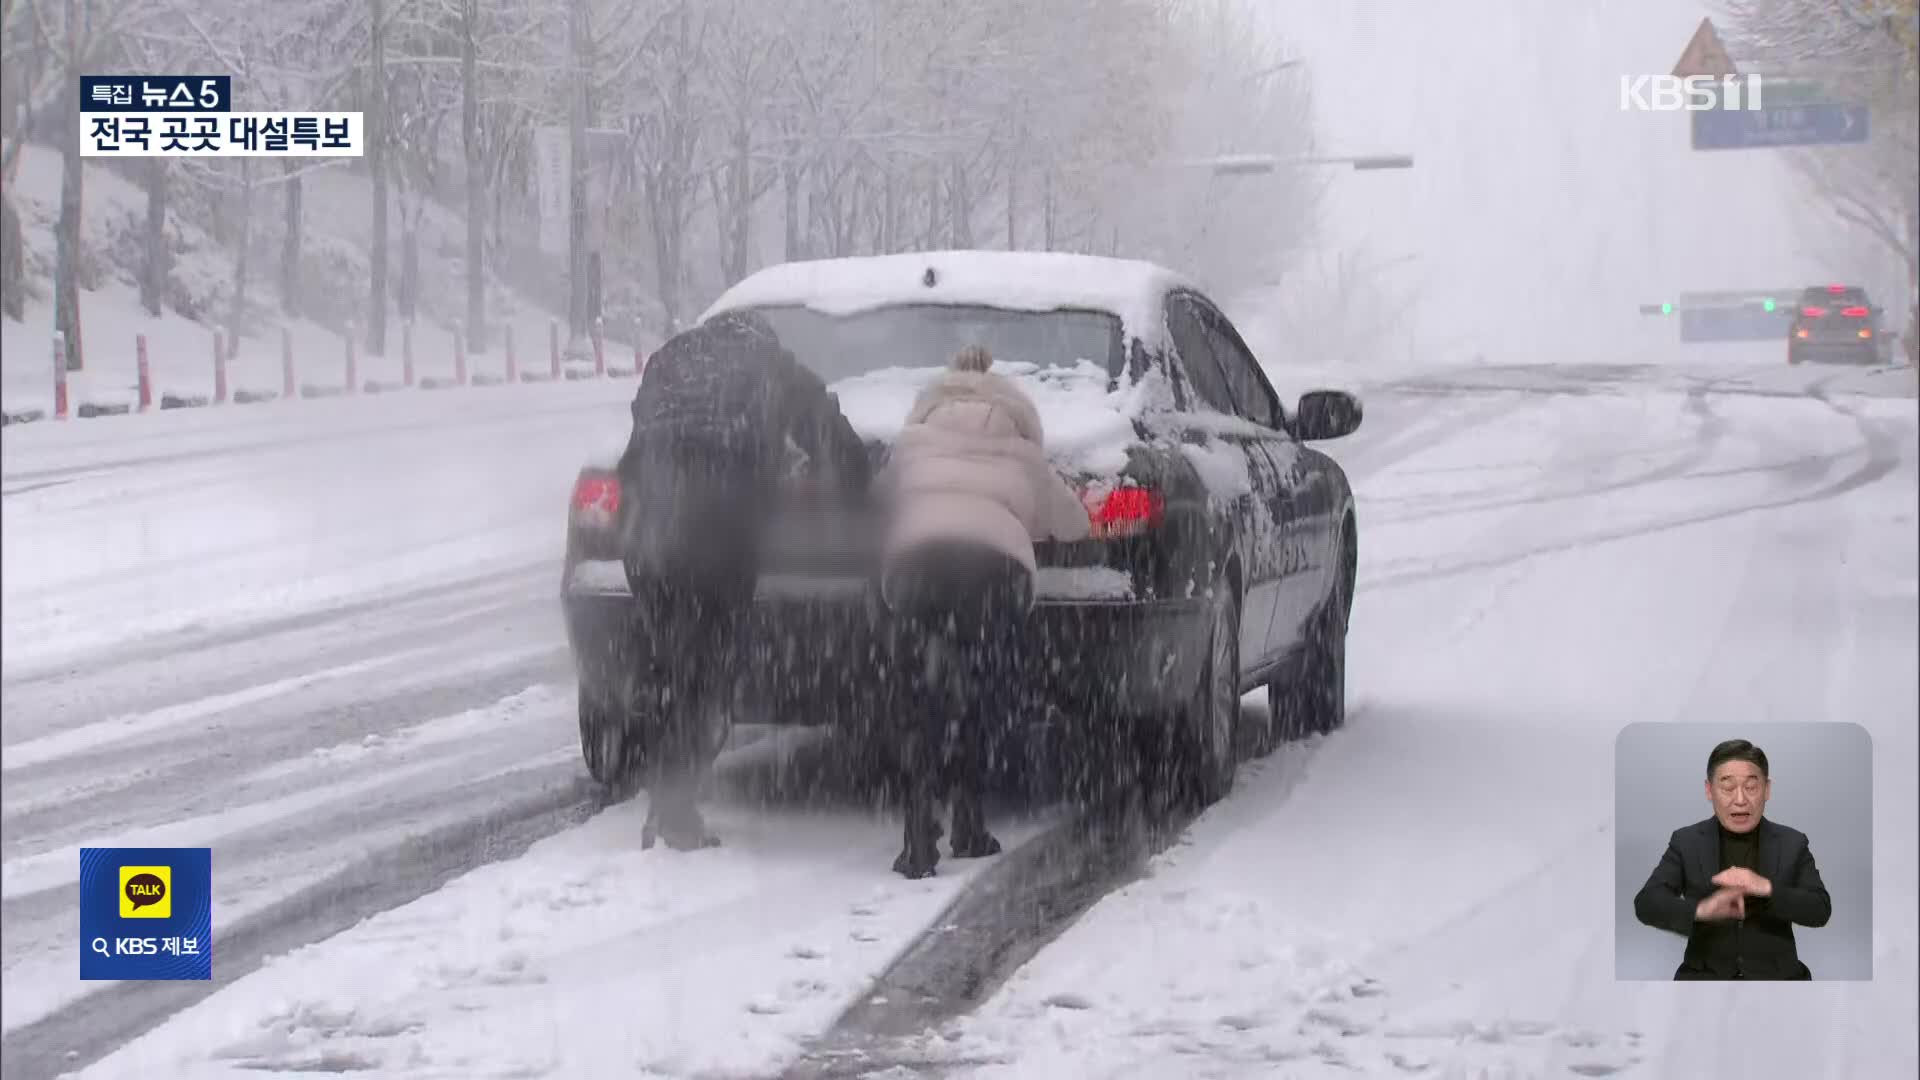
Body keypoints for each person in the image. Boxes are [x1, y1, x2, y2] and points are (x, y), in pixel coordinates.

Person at [618, 310, 870, 851]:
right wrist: (856, 490)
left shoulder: (668, 361)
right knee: (704, 671)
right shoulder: (772, 366)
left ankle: (663, 768)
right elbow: (832, 438)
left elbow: (638, 444)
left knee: (671, 659)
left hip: (646, 533)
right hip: (715, 533)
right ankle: (676, 808)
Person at [875, 345, 1092, 879]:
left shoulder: (913, 439)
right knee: (981, 695)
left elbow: (879, 500)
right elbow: (1074, 525)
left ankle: (916, 835)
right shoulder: (1021, 448)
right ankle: (969, 823)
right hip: (992, 573)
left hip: (917, 567)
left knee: (918, 698)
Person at [1631, 738, 1832, 980]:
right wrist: (1702, 910)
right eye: (1727, 787)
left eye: (1751, 786)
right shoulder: (1686, 841)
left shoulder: (1792, 842)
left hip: (1778, 979)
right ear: (1709, 790)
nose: (1740, 799)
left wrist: (1766, 888)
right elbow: (1647, 903)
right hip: (1703, 978)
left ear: (1767, 789)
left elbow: (1820, 909)